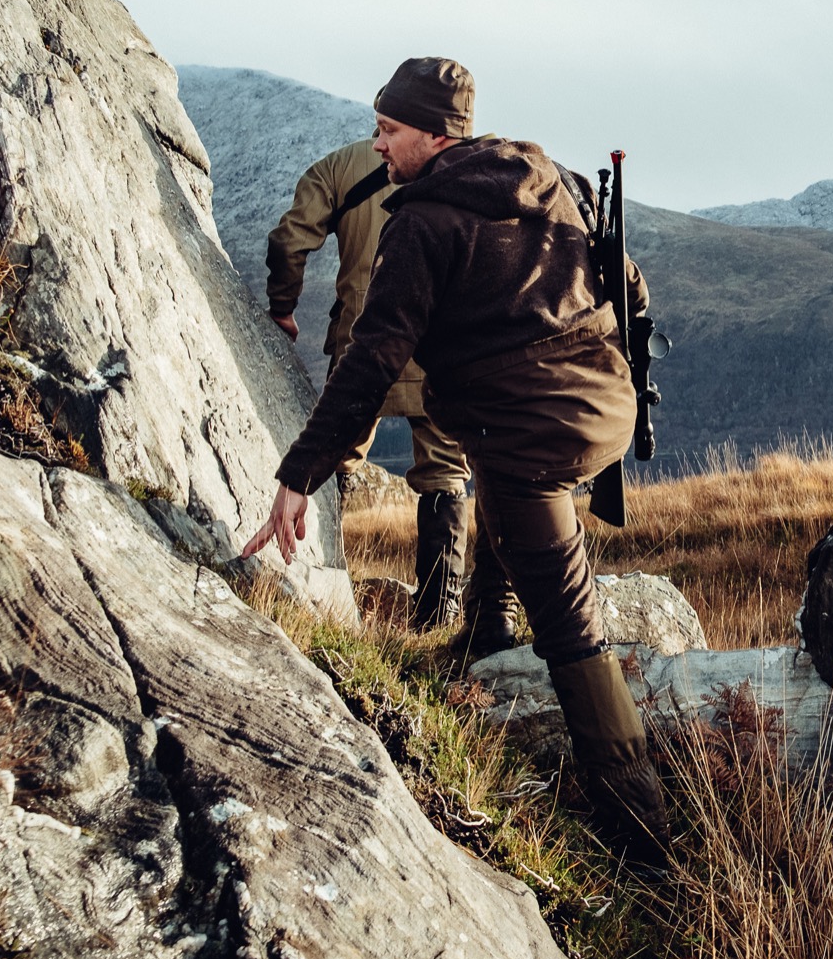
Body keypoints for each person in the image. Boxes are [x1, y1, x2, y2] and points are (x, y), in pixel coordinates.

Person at [242, 56, 668, 861]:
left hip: (529, 434)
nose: (378, 147)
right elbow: (630, 284)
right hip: (602, 404)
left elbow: (372, 359)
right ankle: (479, 640)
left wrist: (298, 471)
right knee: (502, 502)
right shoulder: (545, 177)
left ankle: (639, 828)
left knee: (572, 625)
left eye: (391, 131)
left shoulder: (423, 223)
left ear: (436, 134)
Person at [264, 138, 474, 630]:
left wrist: (283, 306)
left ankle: (314, 579)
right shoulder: (462, 165)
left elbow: (290, 239)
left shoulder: (339, 167)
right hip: (436, 340)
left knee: (335, 456)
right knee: (445, 471)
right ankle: (438, 614)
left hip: (361, 340)